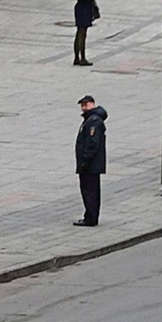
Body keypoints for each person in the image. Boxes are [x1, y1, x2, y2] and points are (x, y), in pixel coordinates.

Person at [73, 95, 107, 227]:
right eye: (82, 105)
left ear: (92, 104)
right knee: (89, 190)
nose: (83, 108)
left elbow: (93, 143)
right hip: (91, 164)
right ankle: (89, 215)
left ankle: (91, 218)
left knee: (90, 191)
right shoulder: (91, 119)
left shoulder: (94, 121)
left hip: (91, 165)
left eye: (86, 105)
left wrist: (85, 160)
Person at [73, 0, 98, 66]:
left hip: (81, 7)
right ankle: (82, 58)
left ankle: (77, 57)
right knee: (82, 34)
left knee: (79, 33)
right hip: (84, 8)